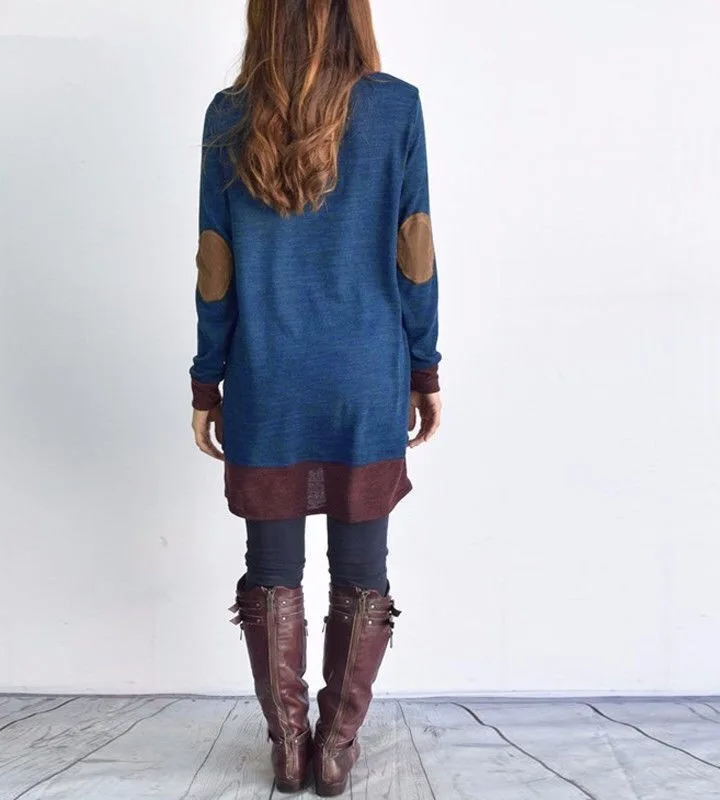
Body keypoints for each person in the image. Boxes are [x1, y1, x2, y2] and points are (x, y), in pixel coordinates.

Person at [189, 0, 442, 794]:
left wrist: (206, 378)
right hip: (366, 373)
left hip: (267, 375)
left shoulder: (229, 115)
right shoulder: (396, 107)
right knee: (363, 569)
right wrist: (425, 368)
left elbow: (214, 265)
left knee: (271, 569)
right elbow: (415, 251)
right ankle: (335, 746)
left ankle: (287, 746)